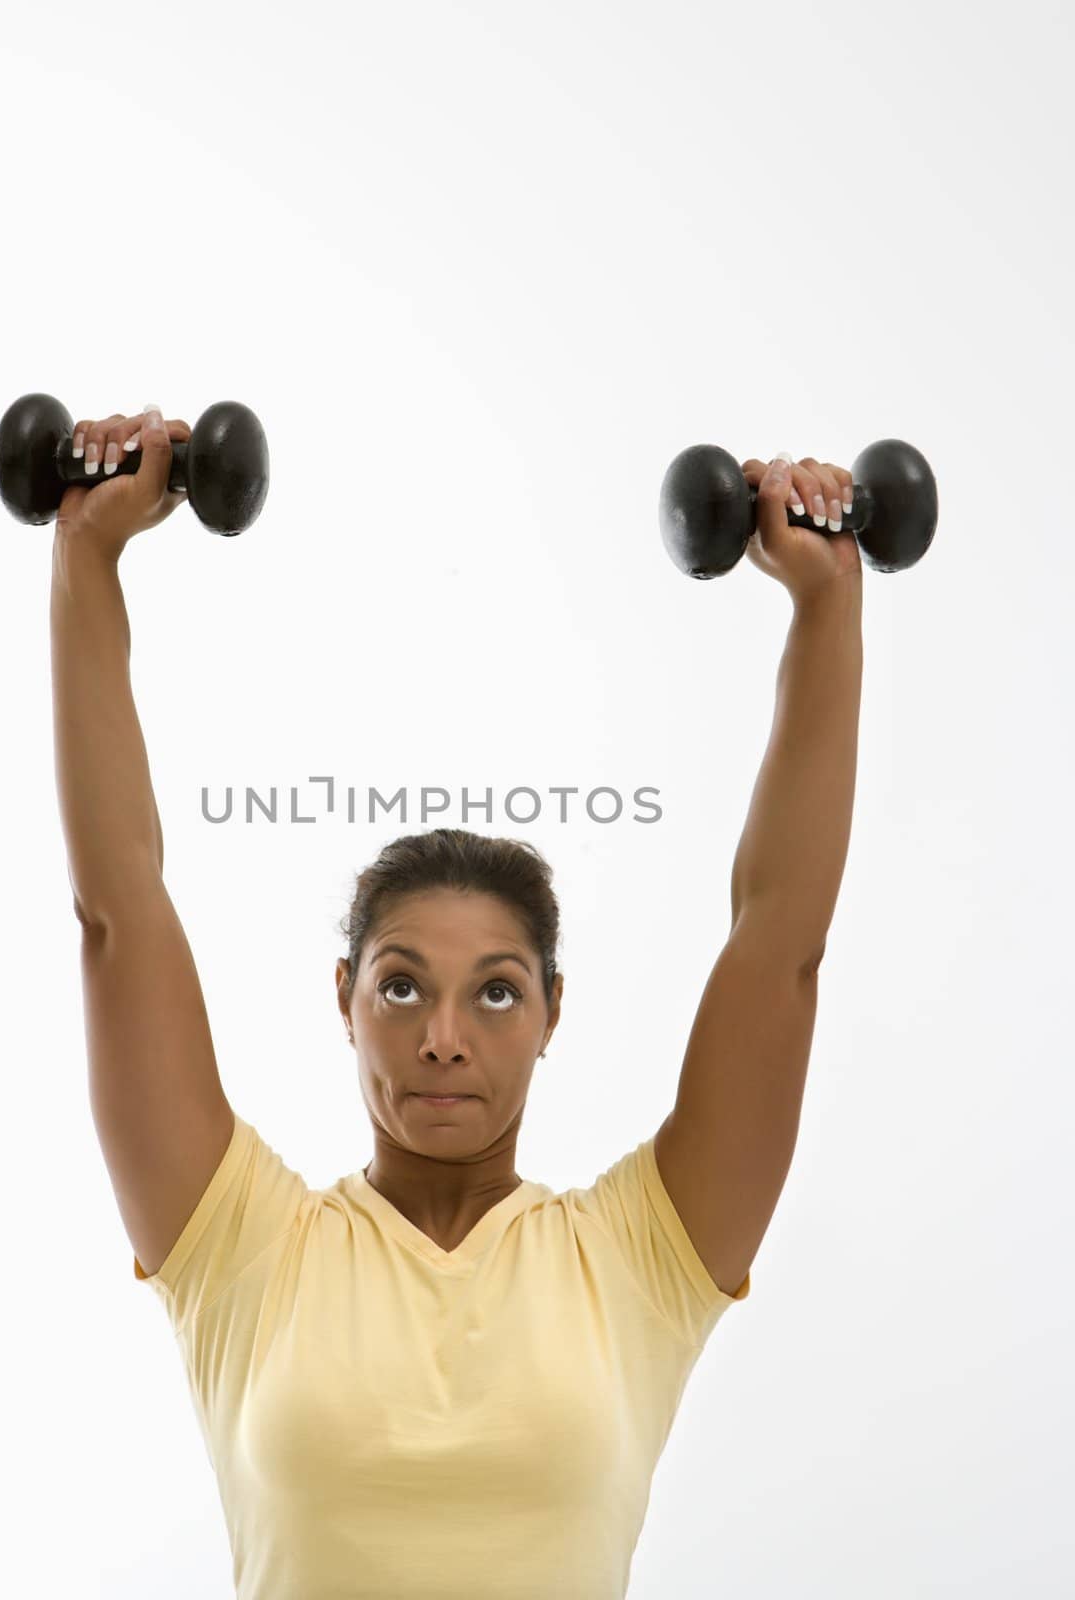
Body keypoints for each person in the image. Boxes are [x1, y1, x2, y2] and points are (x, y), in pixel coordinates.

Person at [52, 407, 861, 1599]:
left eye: (494, 991)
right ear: (344, 999)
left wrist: (827, 605)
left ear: (550, 1012)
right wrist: (85, 555)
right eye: (399, 985)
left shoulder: (635, 1261)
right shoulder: (244, 1252)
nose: (440, 1037)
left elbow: (780, 942)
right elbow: (115, 913)